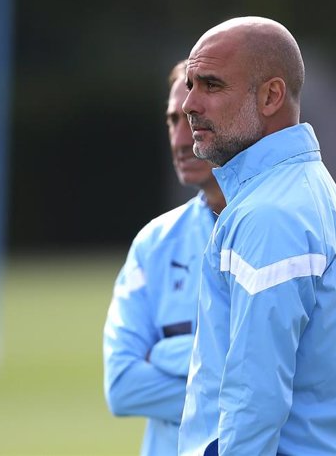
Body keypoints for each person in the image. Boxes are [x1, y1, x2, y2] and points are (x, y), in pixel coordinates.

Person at [178, 17, 336, 455]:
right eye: (190, 84)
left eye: (211, 85)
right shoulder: (306, 193)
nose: (190, 103)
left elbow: (256, 397)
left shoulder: (271, 214)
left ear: (270, 96)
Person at [103, 60, 226, 456]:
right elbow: (122, 386)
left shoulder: (274, 229)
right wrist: (236, 390)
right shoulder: (153, 242)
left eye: (190, 121)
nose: (179, 139)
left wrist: (164, 352)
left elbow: (289, 382)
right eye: (173, 121)